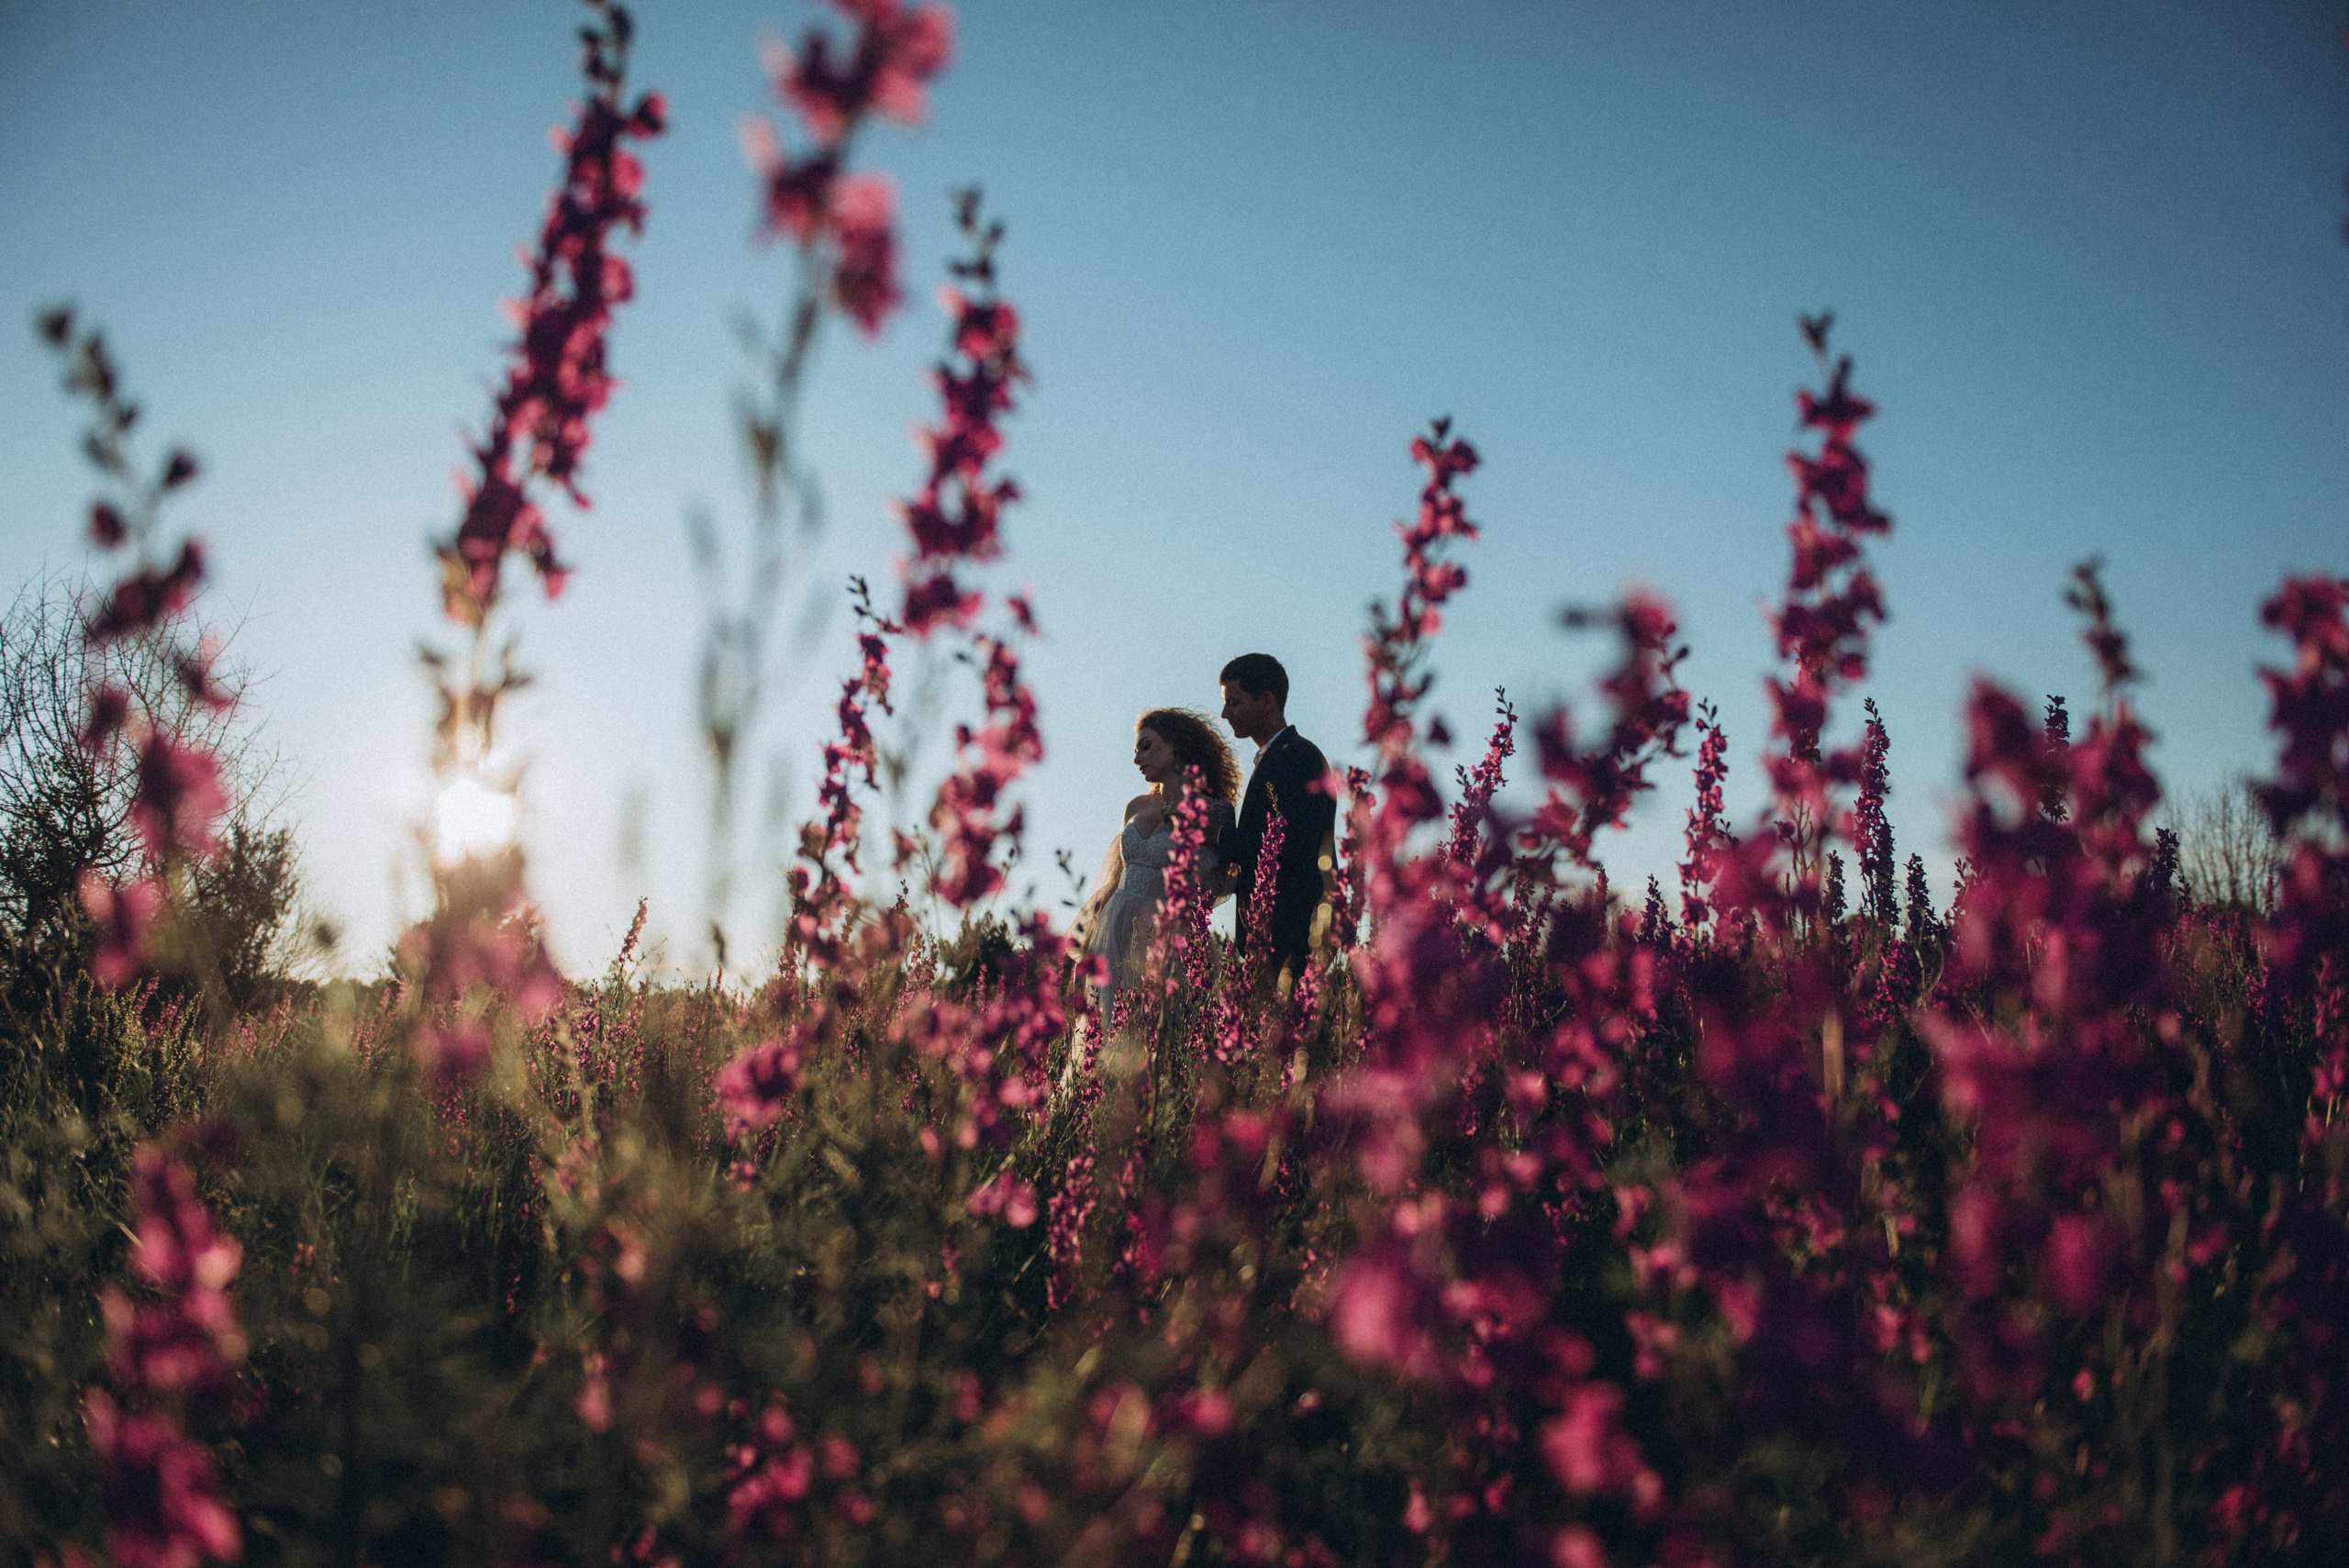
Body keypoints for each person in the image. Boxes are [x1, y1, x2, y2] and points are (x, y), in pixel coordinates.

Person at [1073, 706, 1239, 1033]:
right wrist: (1086, 944)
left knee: (1164, 1037)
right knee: (1108, 1038)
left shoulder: (1215, 811)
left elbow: (1218, 884)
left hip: (1168, 938)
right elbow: (1113, 880)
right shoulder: (1135, 807)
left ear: (1176, 746)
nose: (1137, 758)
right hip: (1112, 934)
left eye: (1146, 746)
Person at [1216, 653, 1337, 975]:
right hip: (1275, 940)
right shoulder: (1279, 757)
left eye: (1234, 702)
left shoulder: (1298, 757)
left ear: (1266, 700)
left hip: (1292, 938)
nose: (1225, 713)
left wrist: (1215, 834)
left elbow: (1288, 846)